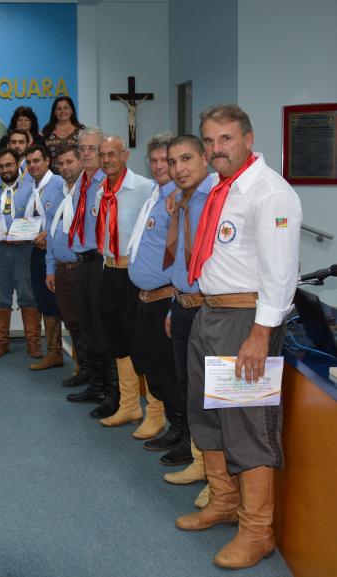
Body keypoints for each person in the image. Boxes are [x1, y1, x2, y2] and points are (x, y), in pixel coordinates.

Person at [175, 105, 301, 570]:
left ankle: (257, 531)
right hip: (211, 315)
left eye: (225, 139)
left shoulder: (270, 193)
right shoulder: (223, 191)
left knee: (246, 424)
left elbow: (281, 274)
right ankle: (224, 502)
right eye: (208, 141)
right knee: (206, 416)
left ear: (248, 139)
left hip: (247, 322)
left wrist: (260, 335)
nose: (215, 149)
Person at [160, 135, 215, 504]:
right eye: (173, 161)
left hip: (209, 308)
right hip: (182, 304)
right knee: (189, 388)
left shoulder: (216, 198)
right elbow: (181, 259)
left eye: (186, 159)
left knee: (211, 393)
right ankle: (200, 460)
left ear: (205, 157)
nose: (179, 168)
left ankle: (219, 476)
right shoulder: (182, 200)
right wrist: (172, 305)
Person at [92, 135, 156, 430]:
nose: (106, 160)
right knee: (116, 339)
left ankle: (156, 411)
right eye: (102, 155)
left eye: (111, 154)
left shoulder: (144, 188)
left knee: (142, 343)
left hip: (134, 274)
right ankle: (129, 405)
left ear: (125, 155)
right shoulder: (100, 190)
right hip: (109, 270)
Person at [122, 133, 178, 444]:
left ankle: (181, 434)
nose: (158, 166)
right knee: (151, 364)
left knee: (168, 370)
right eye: (154, 160)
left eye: (165, 161)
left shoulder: (177, 200)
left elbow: (181, 257)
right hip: (145, 297)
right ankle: (166, 422)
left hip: (166, 298)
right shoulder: (156, 196)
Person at [64, 128, 111, 409]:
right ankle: (95, 384)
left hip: (100, 263)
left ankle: (109, 391)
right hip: (81, 261)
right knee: (86, 328)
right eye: (82, 148)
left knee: (101, 329)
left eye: (92, 148)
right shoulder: (82, 182)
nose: (86, 153)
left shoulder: (107, 183)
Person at [0, 148, 39, 358]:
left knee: (28, 295)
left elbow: (38, 218)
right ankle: (1, 342)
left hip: (24, 250)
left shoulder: (31, 189)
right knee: (0, 296)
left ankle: (33, 342)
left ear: (18, 165)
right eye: (1, 166)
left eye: (9, 165)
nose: (5, 170)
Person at [24, 145, 66, 370]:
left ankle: (81, 360)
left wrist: (49, 236)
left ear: (48, 161)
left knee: (63, 304)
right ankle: (54, 352)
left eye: (37, 161)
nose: (33, 166)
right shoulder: (33, 186)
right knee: (45, 302)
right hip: (37, 251)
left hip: (56, 254)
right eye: (29, 162)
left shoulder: (58, 184)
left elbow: (64, 218)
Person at [45, 145, 82, 380]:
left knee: (85, 323)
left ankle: (89, 371)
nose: (65, 167)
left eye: (70, 162)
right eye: (62, 163)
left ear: (81, 162)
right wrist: (50, 267)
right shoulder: (56, 192)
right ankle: (82, 368)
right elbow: (51, 233)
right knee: (71, 321)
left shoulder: (88, 192)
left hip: (82, 268)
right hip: (61, 268)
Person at [41, 96, 84, 164]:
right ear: (54, 112)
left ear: (72, 111)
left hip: (76, 173)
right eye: (59, 109)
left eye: (66, 108)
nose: (62, 111)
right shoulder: (46, 130)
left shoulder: (81, 130)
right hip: (52, 173)